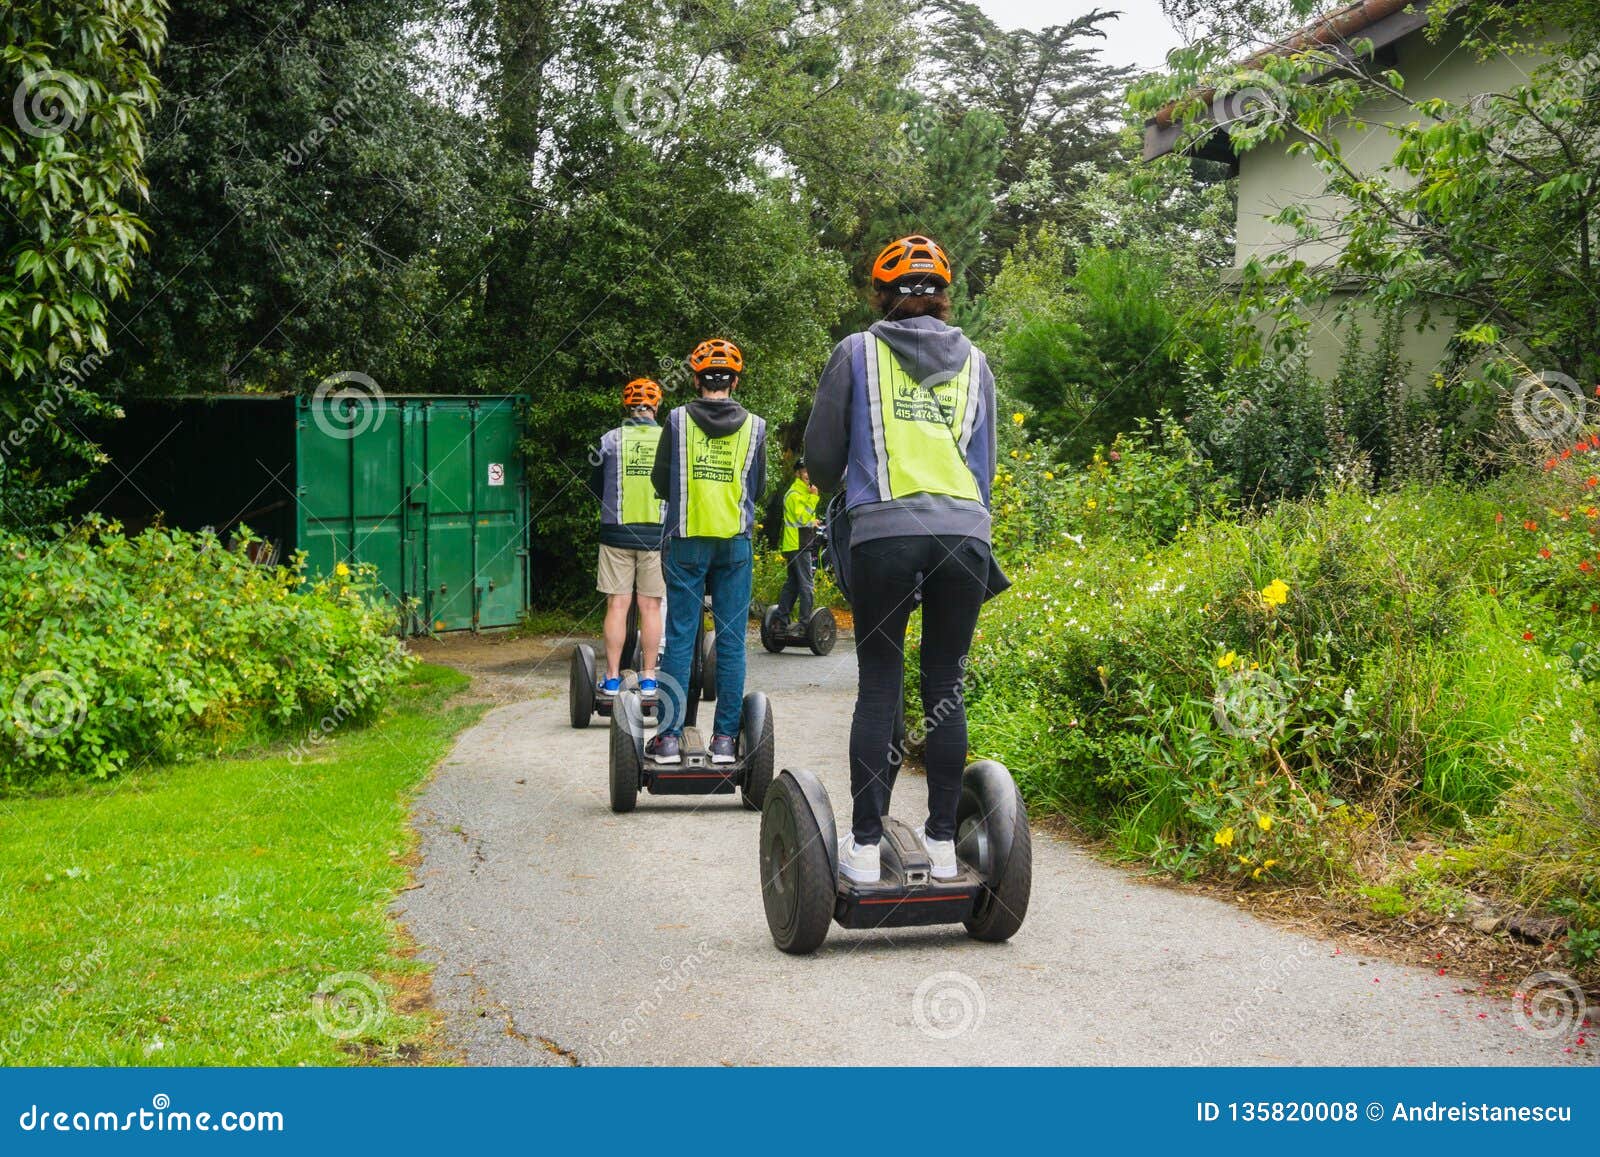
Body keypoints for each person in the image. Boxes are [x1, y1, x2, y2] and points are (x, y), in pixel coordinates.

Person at [803, 234, 1000, 884]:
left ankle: (863, 848)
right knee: (945, 684)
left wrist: (848, 488)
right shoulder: (978, 365)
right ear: (944, 297)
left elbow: (824, 461)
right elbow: (982, 473)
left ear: (883, 296)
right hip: (964, 538)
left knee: (880, 682)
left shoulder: (855, 353)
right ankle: (944, 846)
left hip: (884, 537)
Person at [648, 339, 767, 764]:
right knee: (732, 641)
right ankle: (724, 742)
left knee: (680, 637)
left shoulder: (677, 421)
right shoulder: (756, 426)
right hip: (734, 544)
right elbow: (758, 489)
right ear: (734, 381)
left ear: (697, 380)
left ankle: (666, 739)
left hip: (686, 541)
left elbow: (660, 482)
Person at [588, 377, 667, 706]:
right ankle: (649, 678)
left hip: (616, 533)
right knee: (650, 606)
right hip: (656, 535)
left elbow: (594, 486)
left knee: (617, 605)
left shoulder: (608, 440)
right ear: (657, 405)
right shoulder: (669, 439)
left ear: (627, 405)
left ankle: (611, 677)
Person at [774, 458, 820, 627]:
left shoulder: (803, 493)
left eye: (810, 471)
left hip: (797, 544)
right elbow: (801, 518)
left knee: (792, 584)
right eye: (805, 471)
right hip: (798, 545)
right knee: (807, 585)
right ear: (797, 473)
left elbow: (804, 518)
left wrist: (813, 522)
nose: (808, 474)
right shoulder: (794, 494)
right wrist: (814, 499)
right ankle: (805, 624)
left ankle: (780, 620)